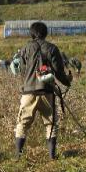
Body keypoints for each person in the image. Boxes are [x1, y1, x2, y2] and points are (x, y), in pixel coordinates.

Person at [14, 22, 72, 160]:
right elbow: (59, 72)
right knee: (50, 124)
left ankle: (18, 156)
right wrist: (67, 81)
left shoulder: (25, 49)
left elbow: (22, 71)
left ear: (32, 33)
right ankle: (52, 156)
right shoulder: (52, 48)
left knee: (22, 123)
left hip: (28, 92)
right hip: (47, 91)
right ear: (46, 33)